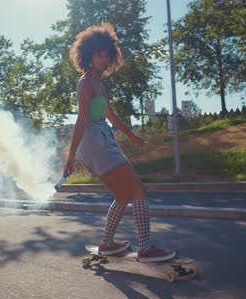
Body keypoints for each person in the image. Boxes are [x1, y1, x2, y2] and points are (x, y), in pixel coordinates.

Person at [63, 22, 175, 262]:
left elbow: (112, 116)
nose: (103, 59)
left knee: (123, 194)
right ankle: (145, 248)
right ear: (88, 56)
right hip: (95, 141)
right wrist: (71, 156)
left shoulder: (99, 85)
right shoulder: (85, 84)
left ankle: (107, 244)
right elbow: (81, 121)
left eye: (106, 55)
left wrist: (132, 135)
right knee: (138, 189)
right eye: (98, 55)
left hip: (102, 139)